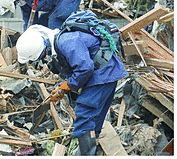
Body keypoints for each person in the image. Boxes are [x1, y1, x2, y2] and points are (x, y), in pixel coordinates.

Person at [16, 24, 128, 155]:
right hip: (108, 72)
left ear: (42, 50)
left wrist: (67, 86)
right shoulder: (61, 43)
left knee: (84, 113)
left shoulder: (67, 42)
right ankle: (89, 147)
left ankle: (86, 154)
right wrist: (63, 88)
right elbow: (78, 67)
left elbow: (85, 68)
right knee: (94, 116)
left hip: (103, 73)